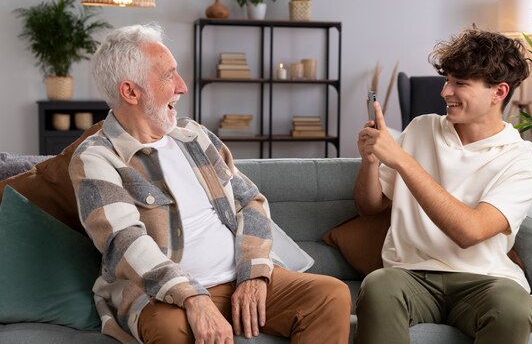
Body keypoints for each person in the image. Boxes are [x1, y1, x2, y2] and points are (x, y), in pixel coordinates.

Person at [69, 23, 351, 344]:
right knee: (170, 332)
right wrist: (194, 298)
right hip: (164, 296)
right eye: (168, 76)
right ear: (130, 91)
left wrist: (253, 273)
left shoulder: (195, 137)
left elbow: (250, 202)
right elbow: (124, 243)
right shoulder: (97, 158)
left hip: (238, 277)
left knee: (330, 295)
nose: (182, 86)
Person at [353, 28, 532, 344]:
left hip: (485, 281)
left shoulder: (525, 160)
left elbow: (469, 232)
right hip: (409, 275)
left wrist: (402, 160)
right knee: (378, 286)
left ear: (498, 92)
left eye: (460, 83)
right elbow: (369, 207)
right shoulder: (420, 129)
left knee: (513, 308)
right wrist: (370, 162)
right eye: (448, 80)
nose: (445, 91)